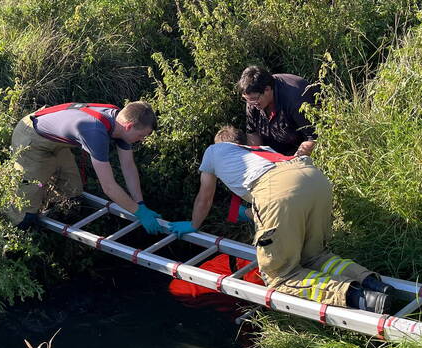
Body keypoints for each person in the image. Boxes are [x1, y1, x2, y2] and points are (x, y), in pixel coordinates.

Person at [169, 126, 395, 313]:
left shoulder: (214, 151)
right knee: (315, 255)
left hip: (277, 189)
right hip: (313, 178)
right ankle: (372, 283)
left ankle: (359, 297)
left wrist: (193, 224)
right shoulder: (260, 149)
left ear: (219, 143)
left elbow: (205, 196)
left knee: (279, 275)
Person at [8, 101, 163, 233]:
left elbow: (128, 167)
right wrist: (138, 212)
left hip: (56, 141)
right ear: (129, 126)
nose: (141, 140)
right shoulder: (95, 130)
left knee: (72, 194)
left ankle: (53, 232)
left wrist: (140, 204)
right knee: (25, 212)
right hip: (31, 138)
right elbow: (108, 187)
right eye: (141, 135)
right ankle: (13, 247)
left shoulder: (120, 123)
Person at [238, 65, 317, 157]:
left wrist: (291, 162)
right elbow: (252, 133)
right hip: (275, 146)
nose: (251, 104)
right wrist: (260, 160)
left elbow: (313, 138)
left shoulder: (295, 100)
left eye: (254, 99)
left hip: (299, 145)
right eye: (247, 99)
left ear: (267, 89)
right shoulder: (253, 100)